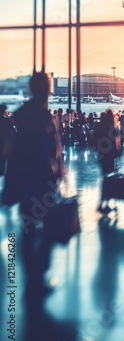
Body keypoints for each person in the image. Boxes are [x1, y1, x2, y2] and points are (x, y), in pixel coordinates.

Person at [3, 71, 64, 296]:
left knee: (28, 229)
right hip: (43, 181)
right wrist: (58, 173)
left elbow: (11, 152)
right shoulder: (43, 117)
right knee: (48, 227)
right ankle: (39, 273)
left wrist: (11, 185)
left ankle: (32, 277)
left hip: (25, 181)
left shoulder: (20, 116)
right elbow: (51, 151)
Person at [90, 109, 121, 212]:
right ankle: (106, 201)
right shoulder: (113, 127)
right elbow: (117, 142)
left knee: (105, 177)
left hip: (102, 154)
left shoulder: (99, 126)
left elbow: (93, 139)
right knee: (109, 178)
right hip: (110, 155)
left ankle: (103, 201)